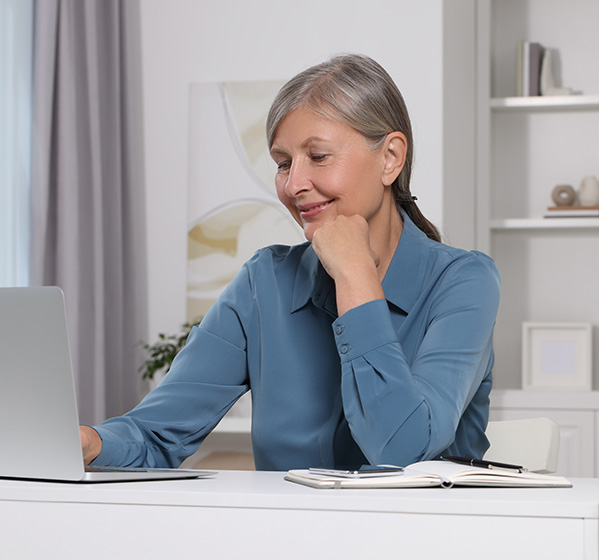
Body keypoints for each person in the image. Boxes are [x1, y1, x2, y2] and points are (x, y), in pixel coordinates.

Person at [80, 53, 500, 471]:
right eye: (284, 164)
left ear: (390, 157)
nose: (294, 185)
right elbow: (156, 434)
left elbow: (403, 452)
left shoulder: (464, 283)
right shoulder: (265, 283)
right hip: (285, 535)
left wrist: (355, 275)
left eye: (318, 156)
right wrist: (91, 442)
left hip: (419, 536)